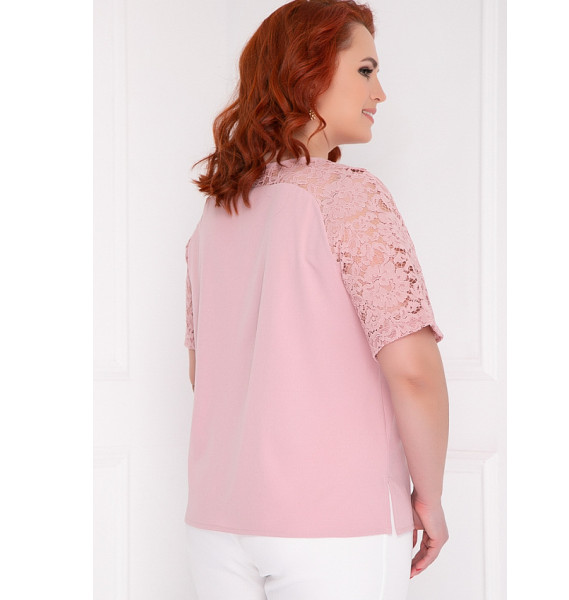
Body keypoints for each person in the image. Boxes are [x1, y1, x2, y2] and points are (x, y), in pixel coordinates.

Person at [183, 1, 449, 598]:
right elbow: (414, 372)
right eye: (365, 70)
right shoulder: (348, 196)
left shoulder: (215, 216)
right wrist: (428, 498)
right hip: (335, 529)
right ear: (308, 72)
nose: (380, 92)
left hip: (216, 525)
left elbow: (205, 375)